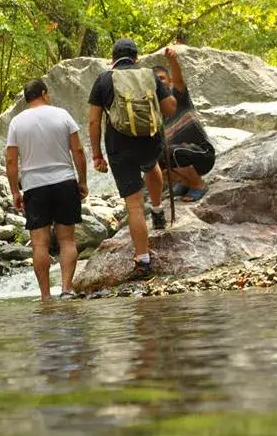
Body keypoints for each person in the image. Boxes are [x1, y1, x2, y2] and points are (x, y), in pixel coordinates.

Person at [88, 38, 177, 279]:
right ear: (136, 58)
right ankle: (158, 210)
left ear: (112, 58)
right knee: (151, 166)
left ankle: (143, 261)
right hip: (150, 139)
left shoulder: (104, 79)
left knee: (135, 205)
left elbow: (94, 121)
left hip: (119, 145)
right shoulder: (148, 75)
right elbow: (170, 108)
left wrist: (97, 154)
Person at [6, 79, 88, 301]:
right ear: (44, 93)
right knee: (67, 240)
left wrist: (15, 191)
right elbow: (78, 150)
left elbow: (12, 162)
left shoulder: (16, 123)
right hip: (64, 181)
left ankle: (45, 296)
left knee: (39, 243)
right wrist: (82, 181)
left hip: (34, 185)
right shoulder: (62, 115)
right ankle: (66, 289)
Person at [154, 47, 216, 202]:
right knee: (154, 157)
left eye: (161, 79)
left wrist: (172, 60)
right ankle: (185, 182)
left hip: (203, 155)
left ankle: (198, 185)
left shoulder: (178, 98)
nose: (159, 84)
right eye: (155, 81)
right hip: (181, 157)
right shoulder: (156, 113)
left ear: (169, 81)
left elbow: (178, 80)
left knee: (171, 152)